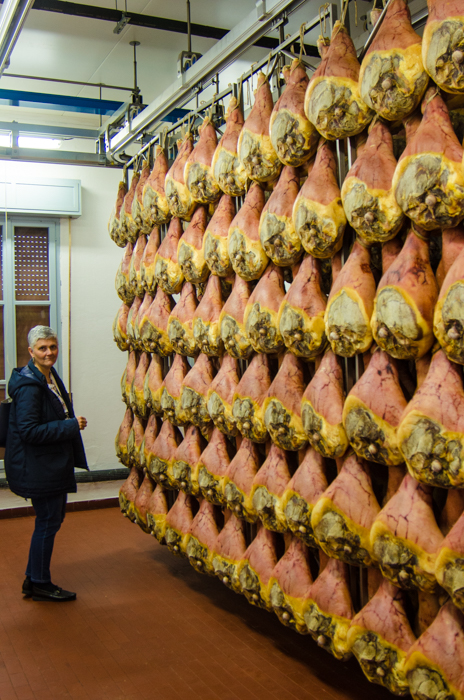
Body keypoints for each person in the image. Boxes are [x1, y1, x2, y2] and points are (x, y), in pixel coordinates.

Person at [5, 325, 88, 602]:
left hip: (50, 463)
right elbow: (29, 431)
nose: (49, 352)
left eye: (52, 347)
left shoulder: (47, 375)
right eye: (42, 348)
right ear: (31, 351)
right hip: (41, 467)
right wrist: (69, 426)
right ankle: (40, 582)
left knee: (51, 519)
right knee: (48, 521)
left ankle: (33, 578)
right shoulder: (30, 387)